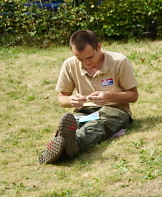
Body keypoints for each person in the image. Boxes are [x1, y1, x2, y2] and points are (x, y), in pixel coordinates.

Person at [38, 29, 139, 165]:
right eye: (80, 59)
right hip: (84, 111)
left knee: (97, 125)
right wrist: (71, 100)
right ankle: (65, 146)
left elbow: (133, 96)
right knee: (74, 124)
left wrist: (108, 96)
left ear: (99, 47)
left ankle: (71, 145)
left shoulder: (119, 61)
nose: (86, 63)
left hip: (115, 109)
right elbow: (62, 99)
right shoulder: (69, 64)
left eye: (89, 57)